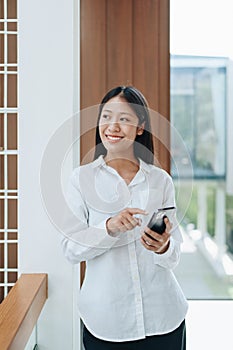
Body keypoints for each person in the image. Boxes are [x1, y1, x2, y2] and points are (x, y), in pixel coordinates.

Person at [61, 86, 188, 350]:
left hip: (164, 319)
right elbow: (70, 250)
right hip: (107, 325)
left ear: (140, 127)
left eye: (124, 119)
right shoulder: (81, 179)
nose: (113, 126)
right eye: (106, 117)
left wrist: (163, 246)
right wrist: (109, 227)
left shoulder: (160, 180)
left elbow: (174, 255)